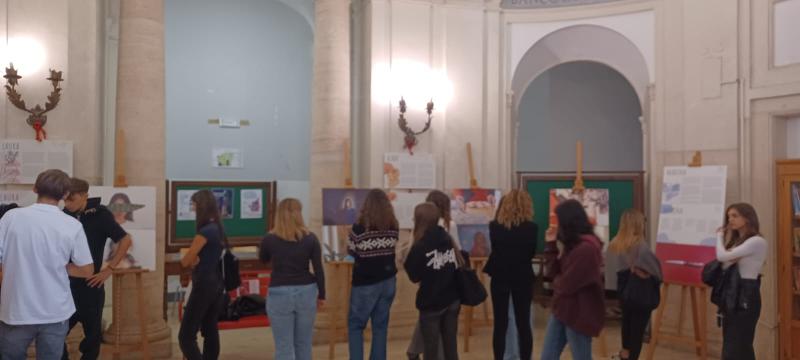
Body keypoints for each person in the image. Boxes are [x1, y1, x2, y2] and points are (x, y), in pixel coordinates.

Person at [0, 169, 94, 359]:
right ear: (65, 194)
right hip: (55, 311)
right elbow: (87, 270)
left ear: (35, 188)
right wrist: (59, 266)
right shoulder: (72, 225)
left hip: (16, 309)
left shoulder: (11, 218)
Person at [62, 178, 133, 360]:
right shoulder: (63, 215)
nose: (67, 203)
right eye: (65, 199)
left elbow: (125, 240)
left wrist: (109, 270)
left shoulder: (100, 214)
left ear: (85, 195)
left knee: (92, 337)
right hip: (64, 286)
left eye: (72, 199)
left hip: (90, 285)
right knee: (55, 333)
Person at [260, 198, 325, 360]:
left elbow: (263, 259)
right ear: (299, 214)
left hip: (279, 292)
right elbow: (318, 268)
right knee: (304, 343)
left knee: (284, 346)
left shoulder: (269, 239)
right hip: (306, 291)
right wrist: (322, 294)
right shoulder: (311, 238)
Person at [540, 199, 604, 360]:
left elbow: (566, 284)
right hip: (563, 309)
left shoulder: (586, 249)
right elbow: (554, 273)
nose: (557, 225)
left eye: (559, 221)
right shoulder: (575, 245)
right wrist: (550, 245)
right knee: (547, 356)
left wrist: (558, 282)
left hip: (579, 313)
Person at [406, 190, 460, 360]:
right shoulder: (447, 237)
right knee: (450, 343)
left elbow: (414, 275)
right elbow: (458, 260)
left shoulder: (420, 244)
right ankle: (413, 351)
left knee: (431, 346)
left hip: (432, 299)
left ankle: (413, 351)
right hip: (452, 296)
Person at [484, 189, 538, 360]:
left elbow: (497, 250)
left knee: (500, 324)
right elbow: (530, 254)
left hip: (500, 276)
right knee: (523, 323)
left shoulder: (494, 226)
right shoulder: (532, 228)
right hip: (522, 277)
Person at [348, 189, 399, 360]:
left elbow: (352, 252)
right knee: (380, 327)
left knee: (356, 325)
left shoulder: (359, 228)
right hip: (388, 281)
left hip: (365, 283)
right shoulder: (394, 226)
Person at [606, 209, 662, 360]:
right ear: (638, 225)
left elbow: (610, 274)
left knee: (627, 325)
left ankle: (624, 355)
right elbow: (657, 273)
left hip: (623, 293)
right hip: (640, 294)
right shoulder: (641, 248)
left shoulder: (613, 244)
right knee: (637, 332)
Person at [178, 190, 227, 360]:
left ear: (201, 207)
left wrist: (192, 259)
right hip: (216, 285)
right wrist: (195, 259)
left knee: (185, 336)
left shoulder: (204, 232)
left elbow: (186, 261)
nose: (192, 209)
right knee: (210, 329)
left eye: (193, 205)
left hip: (204, 285)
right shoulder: (218, 228)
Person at [715, 203, 767, 360]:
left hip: (746, 296)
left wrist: (718, 236)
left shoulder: (757, 241)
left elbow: (722, 257)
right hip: (733, 295)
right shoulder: (738, 243)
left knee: (737, 347)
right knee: (734, 345)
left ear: (747, 217)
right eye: (729, 216)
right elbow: (724, 263)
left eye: (735, 215)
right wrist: (728, 253)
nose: (730, 219)